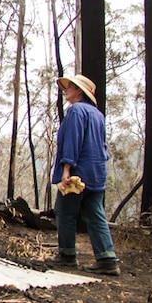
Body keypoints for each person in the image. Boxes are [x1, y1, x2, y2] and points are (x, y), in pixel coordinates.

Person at [46, 74, 120, 276]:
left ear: (79, 91)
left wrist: (66, 169)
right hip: (96, 172)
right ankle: (107, 259)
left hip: (78, 173)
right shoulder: (97, 115)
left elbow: (73, 141)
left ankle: (67, 255)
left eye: (70, 87)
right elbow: (101, 147)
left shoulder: (76, 111)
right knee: (95, 214)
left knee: (65, 211)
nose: (66, 90)